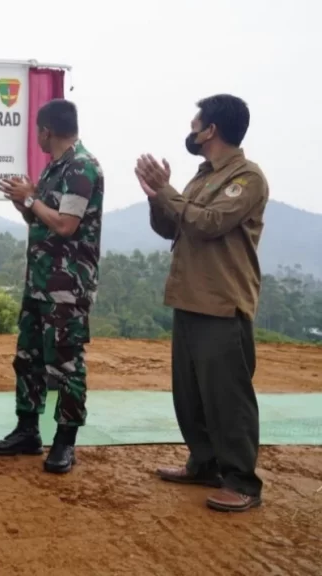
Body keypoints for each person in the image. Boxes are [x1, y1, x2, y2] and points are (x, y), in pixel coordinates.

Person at [135, 94, 267, 513]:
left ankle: (242, 482)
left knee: (228, 397)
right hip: (189, 298)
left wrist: (168, 191)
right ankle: (205, 463)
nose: (191, 129)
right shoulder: (200, 176)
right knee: (190, 394)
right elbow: (171, 225)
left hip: (222, 302)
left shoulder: (247, 177)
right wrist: (157, 197)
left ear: (211, 130)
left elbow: (209, 223)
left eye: (196, 123)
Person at [0, 99, 104, 475]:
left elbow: (65, 225)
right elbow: (41, 218)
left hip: (67, 287)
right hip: (39, 282)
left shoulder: (82, 167)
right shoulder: (56, 168)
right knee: (28, 359)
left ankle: (64, 441)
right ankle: (27, 431)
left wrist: (31, 198)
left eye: (37, 132)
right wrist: (24, 202)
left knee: (66, 363)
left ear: (46, 131)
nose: (36, 137)